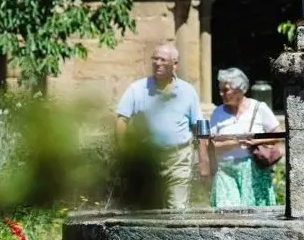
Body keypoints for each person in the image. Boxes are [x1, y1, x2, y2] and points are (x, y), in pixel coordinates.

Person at [115, 43, 210, 209]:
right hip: (148, 160)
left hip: (178, 158)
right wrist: (124, 153)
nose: (157, 63)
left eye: (163, 60)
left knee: (177, 210)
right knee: (148, 211)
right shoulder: (137, 89)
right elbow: (121, 119)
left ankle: (177, 234)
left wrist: (203, 160)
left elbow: (200, 126)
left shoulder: (187, 91)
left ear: (175, 64)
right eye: (155, 59)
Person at [208, 67, 283, 207]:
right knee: (227, 212)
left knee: (255, 213)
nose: (221, 93)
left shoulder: (259, 108)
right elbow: (212, 145)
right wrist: (236, 142)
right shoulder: (217, 113)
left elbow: (278, 135)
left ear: (240, 89)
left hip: (254, 169)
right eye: (220, 89)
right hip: (225, 171)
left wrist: (256, 141)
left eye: (226, 90)